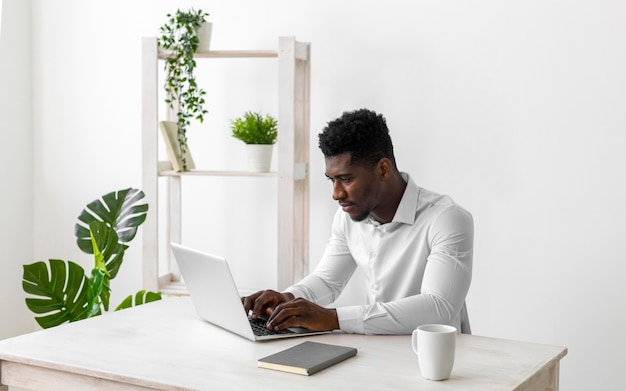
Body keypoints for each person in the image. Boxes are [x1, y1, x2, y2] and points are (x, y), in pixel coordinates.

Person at [242, 108, 474, 335]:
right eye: (331, 180)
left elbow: (438, 307)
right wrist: (289, 300)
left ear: (383, 169)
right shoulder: (347, 216)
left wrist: (333, 318)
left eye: (345, 179)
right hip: (377, 353)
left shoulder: (446, 218)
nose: (336, 193)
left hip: (439, 363)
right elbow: (327, 281)